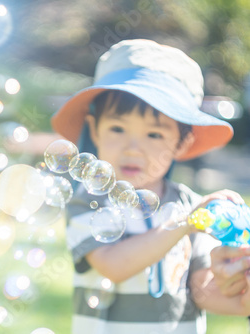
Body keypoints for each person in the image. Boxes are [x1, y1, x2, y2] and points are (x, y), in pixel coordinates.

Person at [51, 39, 250, 334]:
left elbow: (201, 290)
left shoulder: (189, 204)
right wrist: (184, 223)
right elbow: (113, 265)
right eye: (117, 128)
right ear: (94, 129)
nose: (133, 148)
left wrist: (238, 284)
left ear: (183, 143)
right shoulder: (90, 200)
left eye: (154, 135)